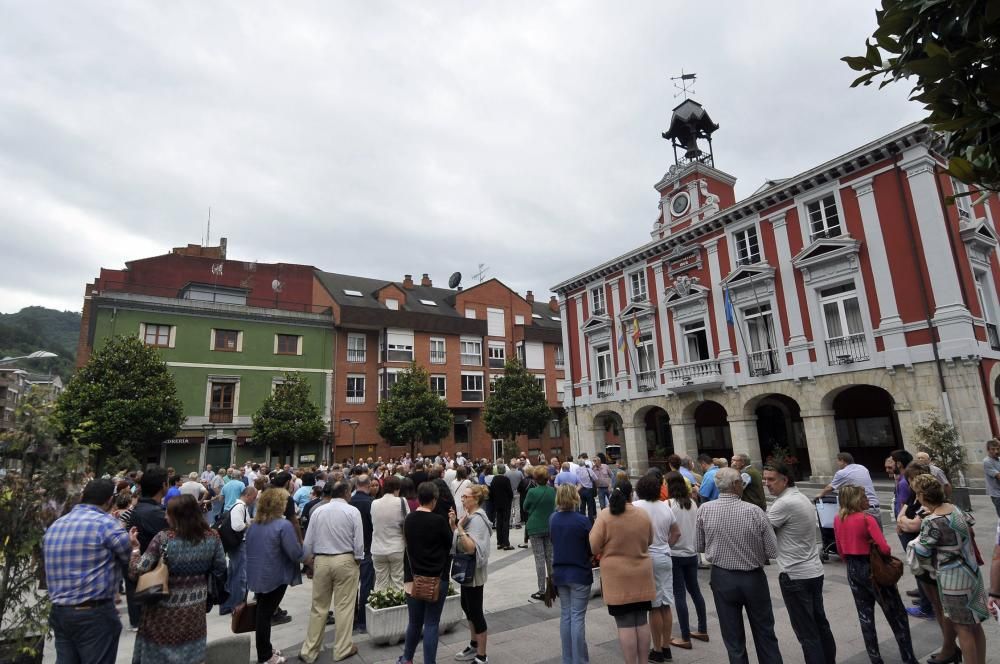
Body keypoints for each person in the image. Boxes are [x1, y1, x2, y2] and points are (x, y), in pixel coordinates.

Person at [696, 467, 782, 664]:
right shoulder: (754, 511)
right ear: (736, 485)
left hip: (722, 577)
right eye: (740, 483)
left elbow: (698, 545)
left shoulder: (705, 510)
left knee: (733, 638)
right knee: (765, 633)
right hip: (752, 577)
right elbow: (772, 551)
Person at [128, 494, 227, 664]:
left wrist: (135, 550)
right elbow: (220, 567)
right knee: (191, 649)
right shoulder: (212, 537)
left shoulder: (164, 538)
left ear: (177, 516)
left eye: (168, 513)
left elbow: (137, 571)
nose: (165, 516)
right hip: (195, 606)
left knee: (159, 651)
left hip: (163, 607)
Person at [43, 479, 131, 664]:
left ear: (82, 497)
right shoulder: (108, 524)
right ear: (109, 501)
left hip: (60, 611)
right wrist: (135, 546)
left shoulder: (56, 525)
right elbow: (129, 558)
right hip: (93, 613)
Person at [833, 485, 917, 664]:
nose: (868, 499)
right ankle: (908, 657)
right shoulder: (866, 519)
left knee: (865, 616)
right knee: (896, 614)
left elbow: (840, 550)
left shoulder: (838, 519)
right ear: (856, 500)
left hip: (853, 569)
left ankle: (875, 658)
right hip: (873, 568)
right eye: (864, 496)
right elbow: (885, 549)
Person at [911, 474, 988, 664]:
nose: (917, 498)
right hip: (972, 573)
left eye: (917, 495)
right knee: (975, 625)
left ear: (923, 495)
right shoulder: (956, 510)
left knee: (962, 628)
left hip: (952, 578)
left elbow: (922, 551)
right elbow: (971, 529)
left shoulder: (932, 521)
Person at [764, 462, 835, 664]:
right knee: (820, 624)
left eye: (771, 479)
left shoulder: (783, 503)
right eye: (765, 479)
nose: (766, 483)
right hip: (812, 571)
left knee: (807, 632)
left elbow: (763, 532)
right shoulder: (799, 497)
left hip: (795, 575)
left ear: (785, 480)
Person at [590, 480, 655, 664]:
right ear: (630, 494)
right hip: (641, 573)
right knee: (642, 621)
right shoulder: (642, 514)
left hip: (617, 577)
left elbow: (593, 546)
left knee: (625, 623)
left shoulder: (605, 515)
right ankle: (644, 661)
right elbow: (649, 540)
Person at [299, 481, 364, 663]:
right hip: (345, 558)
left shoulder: (319, 511)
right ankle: (342, 648)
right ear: (346, 493)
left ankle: (310, 650)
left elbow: (308, 541)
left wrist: (309, 561)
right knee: (344, 606)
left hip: (322, 559)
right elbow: (359, 542)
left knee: (319, 606)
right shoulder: (352, 511)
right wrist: (358, 558)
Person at [398, 481, 454, 664]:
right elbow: (450, 546)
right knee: (431, 623)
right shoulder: (439, 521)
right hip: (437, 578)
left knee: (414, 622)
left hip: (413, 577)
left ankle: (407, 658)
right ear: (434, 500)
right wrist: (452, 526)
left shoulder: (409, 520)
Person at [246, 488, 304, 664]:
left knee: (262, 612)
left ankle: (266, 648)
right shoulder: (283, 525)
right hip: (276, 575)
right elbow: (295, 553)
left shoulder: (254, 525)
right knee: (265, 615)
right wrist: (309, 552)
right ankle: (265, 655)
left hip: (257, 574)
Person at [633, 473, 680, 663]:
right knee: (665, 604)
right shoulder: (666, 506)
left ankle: (657, 649)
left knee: (653, 607)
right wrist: (666, 546)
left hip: (646, 557)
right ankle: (667, 646)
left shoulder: (636, 507)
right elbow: (677, 533)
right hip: (664, 556)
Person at [123, 466, 170, 631]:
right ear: (164, 485)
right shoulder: (156, 514)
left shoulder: (139, 508)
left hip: (141, 573)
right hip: (152, 577)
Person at [550, 484, 593, 664]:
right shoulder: (582, 520)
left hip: (560, 572)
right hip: (579, 572)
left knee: (566, 615)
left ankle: (568, 659)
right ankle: (579, 660)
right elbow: (590, 547)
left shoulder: (553, 518)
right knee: (577, 617)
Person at [665, 471, 708, 650]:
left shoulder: (668, 504)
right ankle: (702, 629)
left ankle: (684, 636)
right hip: (691, 553)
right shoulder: (693, 503)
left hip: (675, 554)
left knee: (679, 594)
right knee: (695, 591)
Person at [453, 483, 493, 664]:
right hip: (467, 570)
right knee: (466, 606)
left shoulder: (477, 519)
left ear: (475, 499)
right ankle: (473, 643)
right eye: (462, 496)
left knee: (475, 611)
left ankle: (482, 656)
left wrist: (460, 529)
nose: (462, 499)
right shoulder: (469, 516)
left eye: (465, 497)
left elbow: (471, 548)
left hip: (474, 571)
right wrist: (453, 525)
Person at [220, 484, 258, 615]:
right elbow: (237, 526)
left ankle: (227, 605)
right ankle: (236, 606)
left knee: (233, 574)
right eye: (253, 497)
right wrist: (250, 524)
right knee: (239, 576)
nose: (254, 500)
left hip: (235, 545)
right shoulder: (240, 507)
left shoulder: (239, 506)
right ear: (247, 495)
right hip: (239, 544)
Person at [522, 465, 557, 601]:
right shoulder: (552, 490)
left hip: (535, 527)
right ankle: (553, 586)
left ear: (535, 478)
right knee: (550, 557)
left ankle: (542, 589)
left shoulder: (532, 492)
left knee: (539, 558)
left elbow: (525, 507)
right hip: (549, 526)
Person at [371, 475, 408, 592]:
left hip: (377, 548)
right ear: (397, 488)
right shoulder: (401, 501)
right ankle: (397, 609)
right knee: (398, 581)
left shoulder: (374, 503)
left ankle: (380, 606)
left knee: (380, 582)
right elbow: (407, 522)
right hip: (396, 547)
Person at [815, 452, 880, 516]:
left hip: (863, 509)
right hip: (875, 506)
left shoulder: (842, 473)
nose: (837, 464)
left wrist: (821, 494)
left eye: (838, 461)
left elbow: (829, 488)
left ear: (842, 461)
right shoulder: (863, 468)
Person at [350, 474, 375, 632]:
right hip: (367, 548)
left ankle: (350, 619)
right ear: (368, 485)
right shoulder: (371, 503)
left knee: (351, 587)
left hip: (349, 550)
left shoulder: (349, 502)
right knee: (366, 585)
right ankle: (363, 621)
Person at [489, 465, 514, 550]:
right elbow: (510, 493)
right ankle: (506, 543)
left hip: (497, 504)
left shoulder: (494, 479)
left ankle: (499, 542)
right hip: (506, 504)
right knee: (505, 523)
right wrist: (510, 499)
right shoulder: (506, 479)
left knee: (499, 523)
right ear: (504, 471)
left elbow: (491, 492)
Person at [984, 438, 1000, 518]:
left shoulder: (998, 459)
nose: (996, 451)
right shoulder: (987, 461)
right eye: (993, 449)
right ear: (988, 450)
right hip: (997, 494)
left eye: (997, 449)